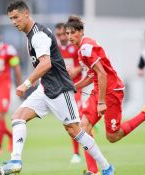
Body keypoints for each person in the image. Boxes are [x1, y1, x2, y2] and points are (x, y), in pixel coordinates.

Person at [4, 1, 115, 175]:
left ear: (27, 14)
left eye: (16, 17)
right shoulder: (31, 35)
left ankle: (106, 167)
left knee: (74, 130)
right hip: (45, 88)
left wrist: (26, 83)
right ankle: (15, 161)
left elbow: (46, 63)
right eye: (11, 19)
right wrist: (36, 79)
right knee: (18, 117)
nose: (13, 22)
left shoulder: (38, 35)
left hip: (60, 90)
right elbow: (43, 64)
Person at [65, 16, 145, 175]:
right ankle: (93, 171)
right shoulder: (82, 48)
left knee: (113, 136)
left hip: (111, 92)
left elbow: (102, 74)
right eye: (67, 33)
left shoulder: (86, 48)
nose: (69, 36)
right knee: (84, 127)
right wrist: (75, 86)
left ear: (81, 32)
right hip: (99, 90)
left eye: (72, 32)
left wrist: (101, 102)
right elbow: (92, 75)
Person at [55, 22, 83, 164]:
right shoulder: (56, 50)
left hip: (76, 87)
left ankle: (76, 154)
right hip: (62, 89)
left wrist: (75, 71)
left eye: (63, 34)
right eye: (58, 34)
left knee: (75, 121)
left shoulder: (75, 48)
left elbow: (82, 65)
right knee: (70, 122)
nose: (61, 37)